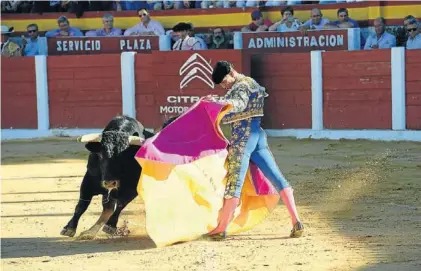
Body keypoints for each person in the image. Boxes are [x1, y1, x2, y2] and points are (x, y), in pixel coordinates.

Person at [204, 61, 304, 239]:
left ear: (232, 72)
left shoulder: (241, 87)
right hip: (258, 136)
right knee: (277, 177)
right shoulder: (252, 83)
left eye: (224, 80)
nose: (223, 85)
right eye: (221, 84)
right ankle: (296, 221)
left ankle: (221, 228)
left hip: (243, 138)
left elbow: (239, 104)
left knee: (234, 182)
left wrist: (218, 102)